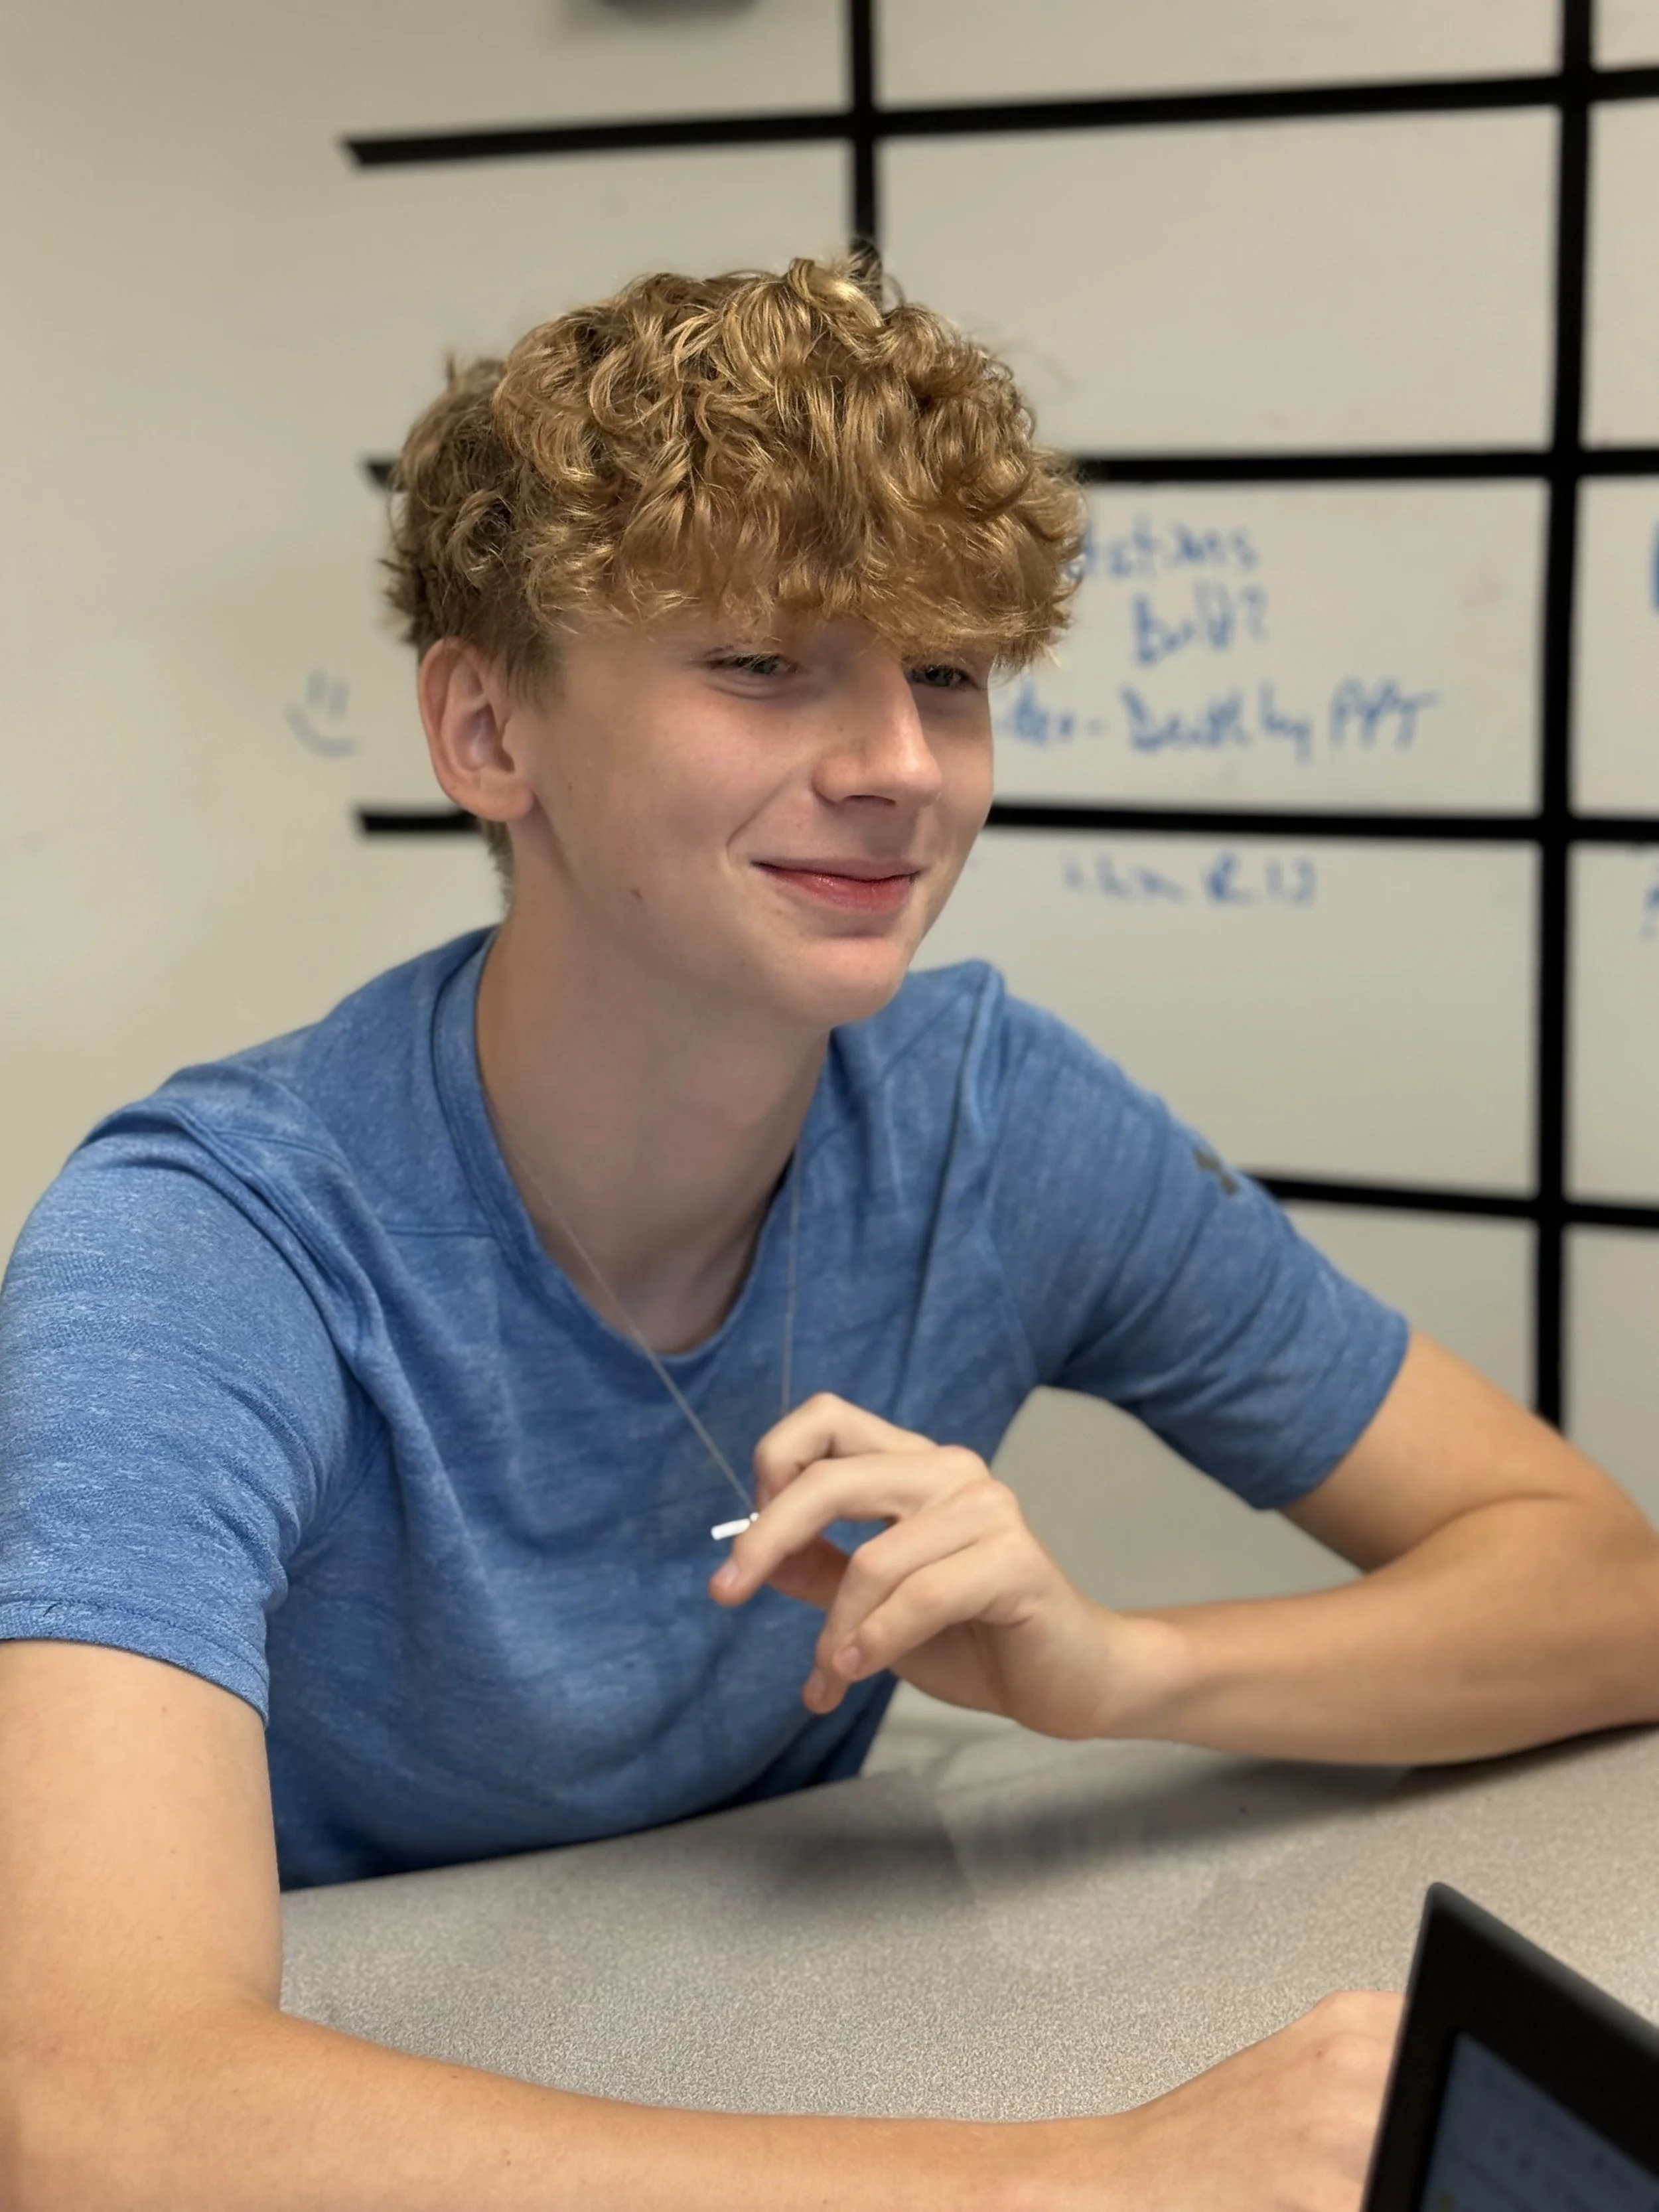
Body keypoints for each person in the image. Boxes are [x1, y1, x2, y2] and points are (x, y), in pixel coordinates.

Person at [1, 258, 1656, 2212]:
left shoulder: (988, 1120)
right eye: (765, 660)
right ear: (485, 730)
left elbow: (1600, 1587)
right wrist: (1080, 2181)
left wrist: (1110, 1669)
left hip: (776, 2058)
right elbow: (95, 2109)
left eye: (944, 671)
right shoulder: (192, 1250)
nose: (898, 767)